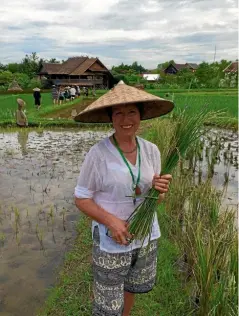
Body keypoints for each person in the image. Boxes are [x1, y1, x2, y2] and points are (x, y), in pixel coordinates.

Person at [74, 81, 174, 316]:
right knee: (107, 299)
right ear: (111, 118)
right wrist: (112, 221)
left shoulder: (151, 150)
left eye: (132, 112)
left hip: (145, 236)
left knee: (131, 287)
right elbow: (81, 198)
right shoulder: (98, 154)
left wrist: (159, 191)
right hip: (112, 240)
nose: (125, 119)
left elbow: (155, 200)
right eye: (118, 112)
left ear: (141, 115)